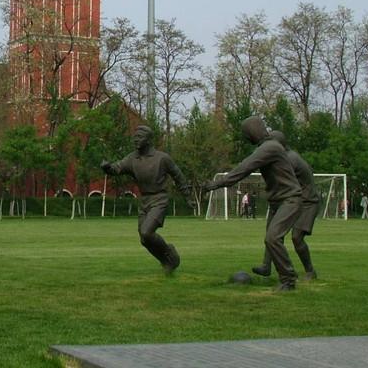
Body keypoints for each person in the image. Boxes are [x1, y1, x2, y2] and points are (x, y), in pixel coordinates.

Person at [203, 117, 302, 291]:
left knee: (273, 238)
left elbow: (245, 167)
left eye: (246, 133)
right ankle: (269, 268)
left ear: (253, 132)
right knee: (270, 239)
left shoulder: (270, 148)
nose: (245, 138)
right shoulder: (268, 147)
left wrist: (217, 184)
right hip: (277, 201)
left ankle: (288, 279)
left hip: (290, 200)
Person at [102, 125, 192, 275]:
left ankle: (170, 253)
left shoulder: (162, 158)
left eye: (139, 137)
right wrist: (107, 167)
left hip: (159, 199)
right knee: (144, 240)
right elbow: (117, 168)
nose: (136, 140)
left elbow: (178, 176)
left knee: (146, 232)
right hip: (144, 201)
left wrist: (187, 196)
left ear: (149, 140)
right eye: (134, 138)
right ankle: (165, 261)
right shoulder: (132, 158)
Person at [252, 131, 319, 280]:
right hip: (290, 200)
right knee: (273, 233)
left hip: (307, 202)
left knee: (296, 238)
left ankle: (310, 271)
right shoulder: (286, 156)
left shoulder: (290, 159)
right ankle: (266, 266)